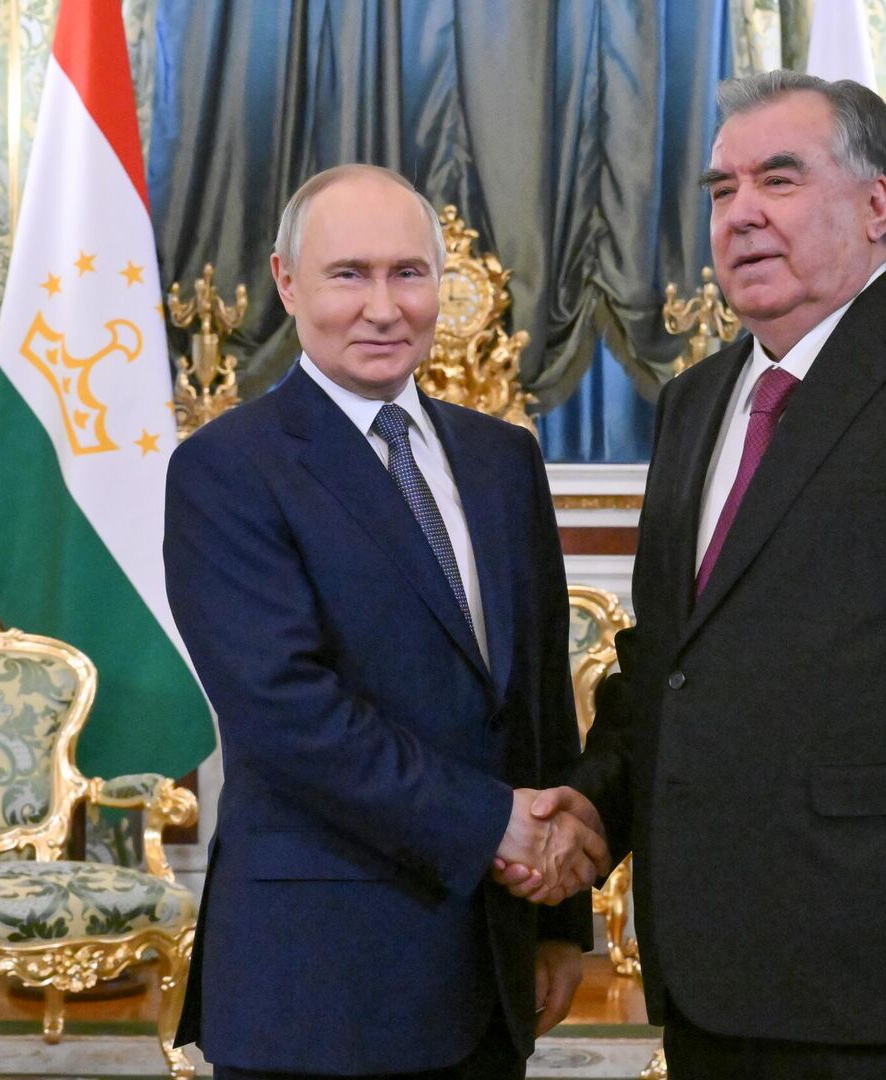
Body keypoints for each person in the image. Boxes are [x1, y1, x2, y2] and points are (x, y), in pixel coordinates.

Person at [501, 71, 886, 1078]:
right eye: (722, 189)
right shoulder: (697, 400)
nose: (740, 212)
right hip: (713, 966)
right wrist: (592, 811)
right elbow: (670, 665)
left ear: (875, 205)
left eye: (779, 180)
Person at [164, 163, 605, 1080]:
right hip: (319, 979)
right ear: (287, 282)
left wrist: (559, 921)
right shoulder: (226, 468)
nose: (383, 307)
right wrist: (493, 825)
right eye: (348, 274)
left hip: (487, 969)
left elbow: (535, 704)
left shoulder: (503, 460)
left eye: (408, 273)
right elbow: (287, 712)